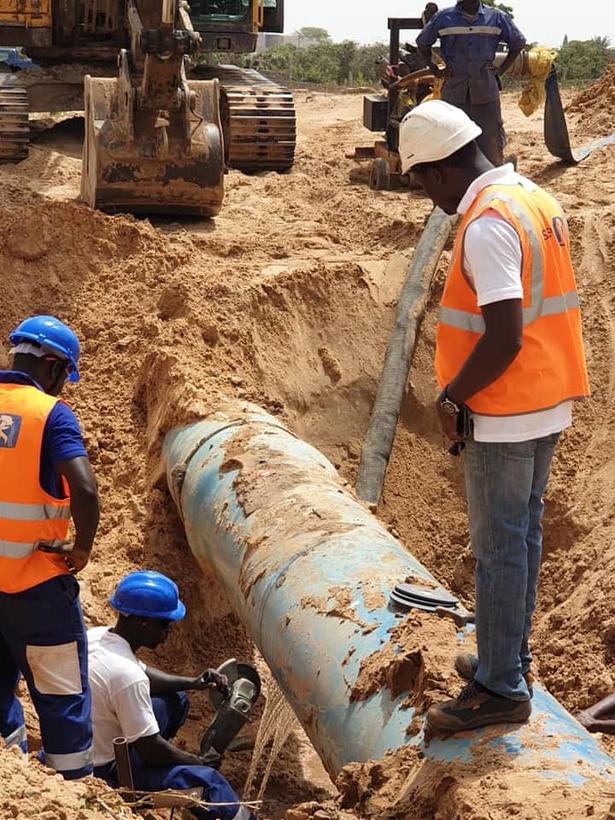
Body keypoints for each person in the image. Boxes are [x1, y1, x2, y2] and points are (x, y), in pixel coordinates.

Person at [398, 100, 590, 732]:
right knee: (523, 539)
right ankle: (509, 657)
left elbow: (504, 334)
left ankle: (499, 688)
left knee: (500, 547)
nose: (428, 197)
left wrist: (452, 398)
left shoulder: (485, 222)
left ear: (443, 169)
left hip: (505, 410)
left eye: (422, 181)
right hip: (546, 399)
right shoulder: (533, 198)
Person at [0, 315, 100, 778]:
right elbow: (84, 488)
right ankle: (73, 791)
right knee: (62, 701)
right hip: (37, 589)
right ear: (57, 368)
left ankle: (12, 780)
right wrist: (81, 550)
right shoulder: (49, 414)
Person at [88, 570, 255, 820]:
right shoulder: (126, 676)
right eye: (164, 624)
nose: (169, 631)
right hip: (107, 771)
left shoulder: (99, 637)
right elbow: (150, 748)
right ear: (143, 622)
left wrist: (194, 683)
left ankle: (160, 771)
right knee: (209, 783)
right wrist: (197, 762)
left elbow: (144, 676)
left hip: (91, 742)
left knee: (176, 699)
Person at [416, 0, 526, 166]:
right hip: (454, 93)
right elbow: (422, 43)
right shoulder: (443, 17)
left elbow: (518, 42)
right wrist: (435, 70)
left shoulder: (496, 17)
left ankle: (494, 175)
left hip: (485, 91)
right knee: (452, 141)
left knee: (490, 139)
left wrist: (501, 69)